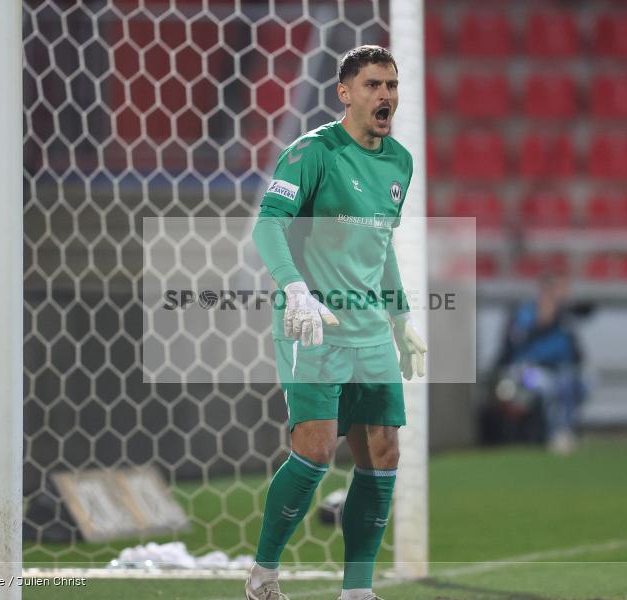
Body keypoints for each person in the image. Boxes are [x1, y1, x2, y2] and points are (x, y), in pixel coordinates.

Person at [247, 45, 426, 600]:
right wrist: (294, 289)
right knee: (317, 449)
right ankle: (263, 577)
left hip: (370, 328)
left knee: (383, 451)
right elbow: (268, 226)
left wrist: (401, 321)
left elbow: (382, 245)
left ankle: (357, 592)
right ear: (344, 92)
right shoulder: (312, 152)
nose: (386, 96)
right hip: (313, 323)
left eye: (392, 85)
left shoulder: (399, 161)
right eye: (373, 85)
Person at [491, 272, 589, 453]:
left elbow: (587, 314)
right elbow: (514, 343)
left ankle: (565, 430)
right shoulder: (526, 312)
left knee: (578, 382)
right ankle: (555, 433)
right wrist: (543, 322)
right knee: (549, 386)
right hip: (526, 371)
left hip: (560, 369)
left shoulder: (564, 317)